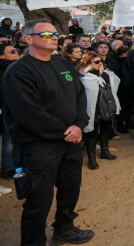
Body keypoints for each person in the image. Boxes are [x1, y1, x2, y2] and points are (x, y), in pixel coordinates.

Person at [2, 19, 94, 245]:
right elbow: (30, 113)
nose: (54, 37)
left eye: (55, 33)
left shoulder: (63, 65)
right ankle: (33, 241)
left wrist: (79, 125)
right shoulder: (19, 71)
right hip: (39, 145)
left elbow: (80, 95)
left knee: (70, 188)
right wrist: (66, 130)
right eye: (46, 35)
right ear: (28, 39)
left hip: (71, 141)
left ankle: (64, 228)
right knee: (39, 198)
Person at [77, 51, 120, 170]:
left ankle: (105, 151)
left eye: (101, 61)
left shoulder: (103, 73)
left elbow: (114, 82)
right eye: (96, 61)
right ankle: (92, 158)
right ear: (88, 62)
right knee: (91, 132)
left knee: (106, 128)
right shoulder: (83, 76)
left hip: (104, 106)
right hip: (91, 108)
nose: (100, 63)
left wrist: (101, 74)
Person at [0, 43, 20, 181]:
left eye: (16, 50)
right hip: (6, 110)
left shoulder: (19, 67)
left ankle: (17, 166)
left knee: (18, 139)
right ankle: (8, 169)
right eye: (12, 51)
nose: (16, 52)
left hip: (20, 109)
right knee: (8, 141)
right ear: (2, 56)